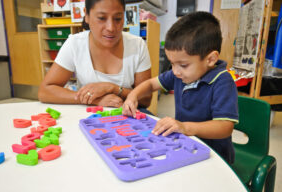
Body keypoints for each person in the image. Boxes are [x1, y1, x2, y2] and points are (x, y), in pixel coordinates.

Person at [123, 11, 239, 164]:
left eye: (183, 65)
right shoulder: (180, 74)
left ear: (211, 59)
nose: (175, 71)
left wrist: (185, 127)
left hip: (214, 157)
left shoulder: (222, 82)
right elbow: (151, 84)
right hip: (186, 146)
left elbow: (225, 127)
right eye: (172, 63)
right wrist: (132, 97)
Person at [38, 0, 152, 109]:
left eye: (118, 18)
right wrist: (94, 100)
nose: (111, 28)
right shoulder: (75, 44)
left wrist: (114, 88)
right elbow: (45, 91)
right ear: (86, 15)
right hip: (88, 117)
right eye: (101, 18)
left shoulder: (137, 45)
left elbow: (146, 100)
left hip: (126, 117)